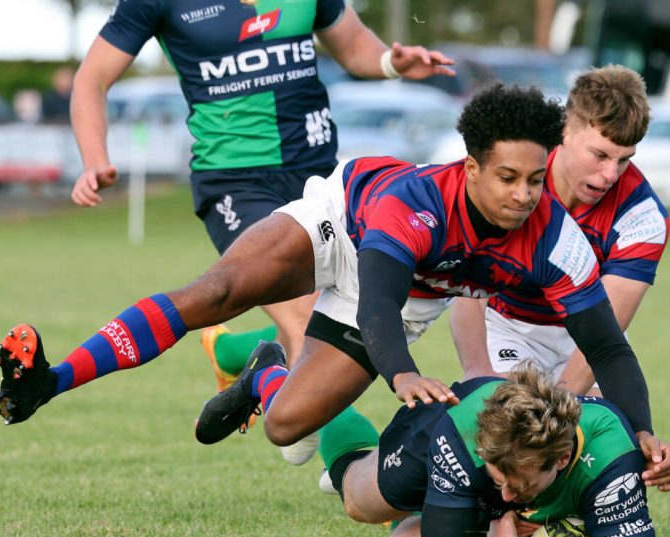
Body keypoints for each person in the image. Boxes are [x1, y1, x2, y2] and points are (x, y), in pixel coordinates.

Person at [0, 84, 670, 491]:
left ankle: (263, 374)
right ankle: (49, 381)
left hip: (405, 299)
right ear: (470, 168)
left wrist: (643, 430)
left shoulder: (556, 240)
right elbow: (376, 294)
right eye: (507, 178)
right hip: (342, 224)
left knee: (286, 426)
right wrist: (402, 375)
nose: (524, 194)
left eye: (534, 180)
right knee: (222, 285)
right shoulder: (418, 201)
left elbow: (608, 348)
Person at [69, 0, 454, 368]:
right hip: (234, 181)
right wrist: (94, 160)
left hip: (319, 177)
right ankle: (342, 439)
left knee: (345, 308)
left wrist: (390, 61)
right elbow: (92, 78)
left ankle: (234, 353)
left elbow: (353, 45)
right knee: (306, 316)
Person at [317, 365, 656, 537]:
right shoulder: (462, 435)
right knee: (359, 501)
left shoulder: (611, 453)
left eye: (521, 486)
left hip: (485, 492)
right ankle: (324, 415)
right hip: (439, 436)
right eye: (501, 481)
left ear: (563, 458)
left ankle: (440, 514)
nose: (508, 497)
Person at [450, 66, 670, 413]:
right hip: (511, 327)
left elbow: (604, 333)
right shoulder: (516, 179)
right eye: (599, 155)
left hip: (589, 334)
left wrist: (559, 407)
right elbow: (468, 296)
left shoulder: (642, 215)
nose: (611, 174)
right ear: (565, 130)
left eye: (624, 160)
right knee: (514, 430)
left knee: (602, 441)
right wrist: (478, 376)